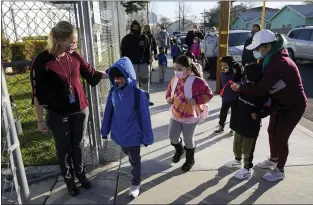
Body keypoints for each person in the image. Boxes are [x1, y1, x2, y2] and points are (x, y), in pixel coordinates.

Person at [30, 21, 108, 196]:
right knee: (63, 148)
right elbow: (36, 94)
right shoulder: (42, 61)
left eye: (76, 41)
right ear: (60, 39)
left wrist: (114, 74)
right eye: (72, 41)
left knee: (78, 145)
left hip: (80, 109)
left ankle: (80, 174)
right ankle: (69, 180)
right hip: (58, 113)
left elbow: (91, 74)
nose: (75, 44)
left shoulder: (74, 56)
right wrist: (40, 119)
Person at [230, 30, 307, 182]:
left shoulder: (280, 62)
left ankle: (279, 170)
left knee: (281, 137)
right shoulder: (270, 59)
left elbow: (260, 89)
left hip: (293, 106)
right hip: (278, 103)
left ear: (267, 46)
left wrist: (240, 88)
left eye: (259, 48)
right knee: (272, 131)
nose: (257, 52)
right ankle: (273, 159)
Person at [101, 57, 154, 198]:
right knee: (127, 153)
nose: (118, 81)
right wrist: (104, 130)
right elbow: (108, 112)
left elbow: (145, 117)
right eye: (115, 78)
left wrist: (148, 137)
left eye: (121, 77)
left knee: (135, 159)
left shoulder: (138, 95)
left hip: (134, 135)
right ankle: (132, 163)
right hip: (120, 134)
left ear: (128, 76)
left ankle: (135, 183)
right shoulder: (113, 92)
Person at [165, 55, 213, 172]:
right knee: (173, 137)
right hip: (175, 114)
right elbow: (169, 91)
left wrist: (197, 100)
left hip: (191, 117)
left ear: (189, 69)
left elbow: (209, 94)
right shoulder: (175, 80)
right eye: (175, 69)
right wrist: (168, 98)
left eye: (180, 69)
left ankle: (189, 160)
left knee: (188, 139)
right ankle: (179, 149)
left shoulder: (198, 82)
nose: (177, 72)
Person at [225, 63, 271, 180]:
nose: (245, 77)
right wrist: (236, 80)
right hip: (239, 120)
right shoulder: (244, 85)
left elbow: (269, 106)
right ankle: (237, 160)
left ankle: (247, 168)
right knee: (237, 143)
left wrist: (259, 113)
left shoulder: (263, 91)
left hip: (251, 124)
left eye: (247, 74)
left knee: (248, 147)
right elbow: (232, 88)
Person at [121, 20, 154, 106]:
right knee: (133, 85)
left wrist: (149, 60)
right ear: (131, 28)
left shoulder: (144, 38)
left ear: (140, 27)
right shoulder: (126, 39)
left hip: (143, 65)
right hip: (132, 66)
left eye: (137, 27)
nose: (135, 29)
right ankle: (134, 102)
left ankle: (146, 100)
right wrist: (125, 65)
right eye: (134, 27)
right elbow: (123, 53)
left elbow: (148, 50)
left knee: (145, 84)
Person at [214, 56, 243, 135]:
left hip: (235, 97)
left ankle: (233, 128)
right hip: (225, 97)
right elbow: (221, 82)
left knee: (234, 113)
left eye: (225, 64)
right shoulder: (222, 72)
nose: (223, 66)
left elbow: (240, 83)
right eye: (222, 64)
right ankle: (221, 127)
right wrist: (221, 90)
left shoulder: (236, 73)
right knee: (223, 112)